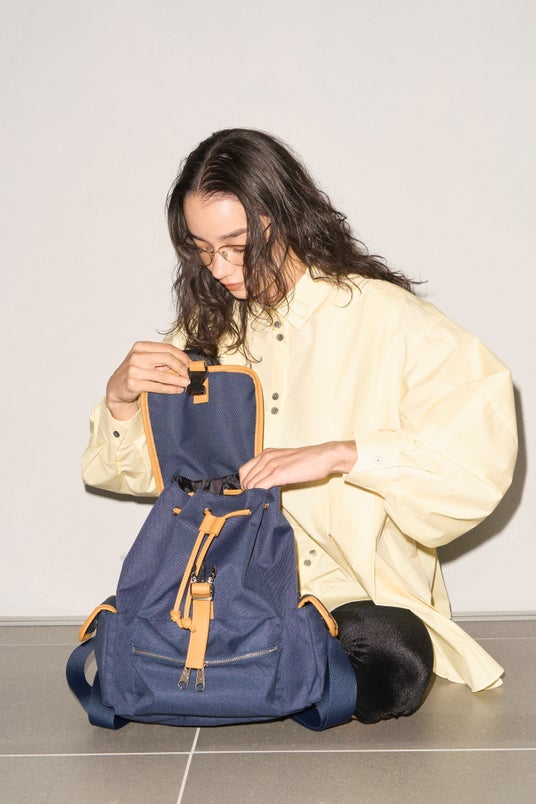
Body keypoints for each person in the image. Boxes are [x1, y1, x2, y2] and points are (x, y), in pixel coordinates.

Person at [82, 128, 518, 723]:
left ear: (282, 217)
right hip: (226, 586)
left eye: (236, 245)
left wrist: (343, 454)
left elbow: (475, 454)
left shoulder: (382, 317)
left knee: (393, 657)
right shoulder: (203, 334)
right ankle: (257, 667)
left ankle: (238, 671)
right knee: (134, 644)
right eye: (202, 249)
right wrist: (121, 400)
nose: (220, 267)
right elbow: (149, 476)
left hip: (348, 597)